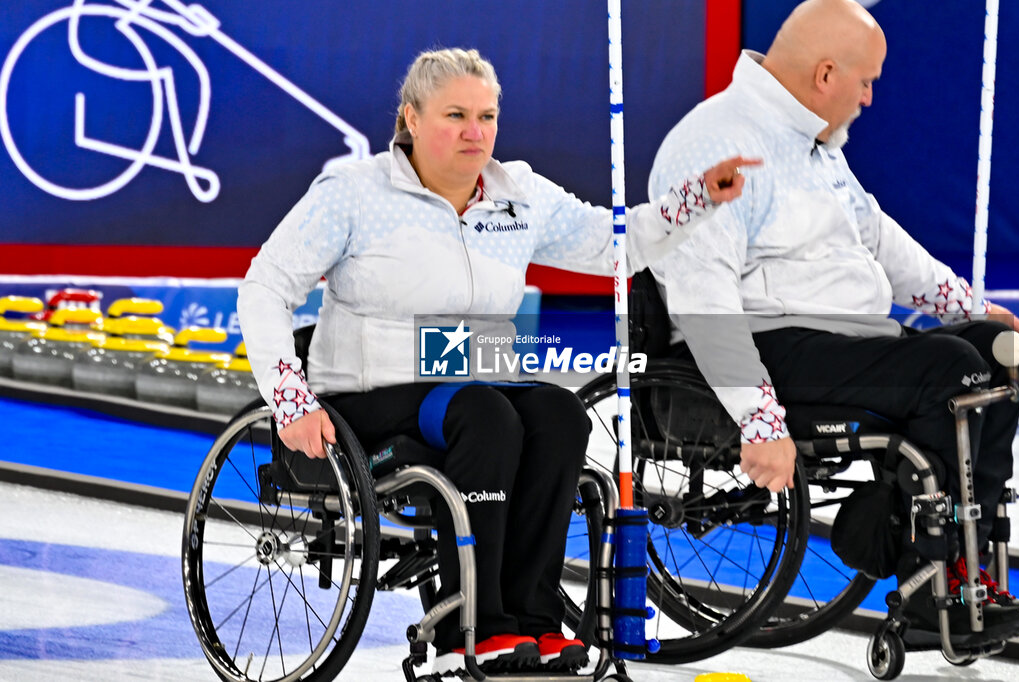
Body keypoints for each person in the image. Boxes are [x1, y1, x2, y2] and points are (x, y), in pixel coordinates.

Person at [237, 47, 755, 674]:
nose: (474, 131)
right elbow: (265, 285)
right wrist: (291, 400)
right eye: (455, 114)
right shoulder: (354, 193)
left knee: (561, 415)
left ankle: (534, 621)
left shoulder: (519, 195)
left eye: (486, 116)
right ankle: (472, 626)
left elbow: (611, 243)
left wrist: (697, 198)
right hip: (370, 397)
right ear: (411, 116)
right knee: (486, 415)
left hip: (474, 386)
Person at [647, 0, 1019, 645]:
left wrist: (969, 309)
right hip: (771, 343)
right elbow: (701, 297)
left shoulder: (811, 145)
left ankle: (966, 554)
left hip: (845, 341)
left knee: (998, 351)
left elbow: (880, 239)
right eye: (866, 80)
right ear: (826, 74)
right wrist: (759, 420)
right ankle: (921, 570)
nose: (870, 98)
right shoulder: (718, 142)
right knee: (951, 372)